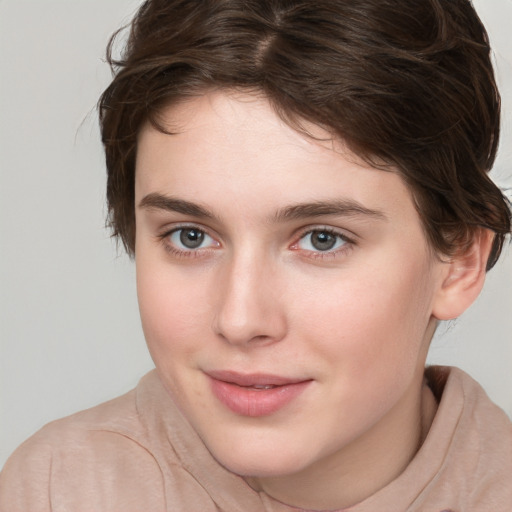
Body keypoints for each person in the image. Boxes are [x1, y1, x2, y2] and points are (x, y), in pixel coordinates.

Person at [1, 0, 511, 510]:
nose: (240, 320)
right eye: (191, 236)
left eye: (321, 239)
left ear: (460, 262)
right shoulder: (56, 490)